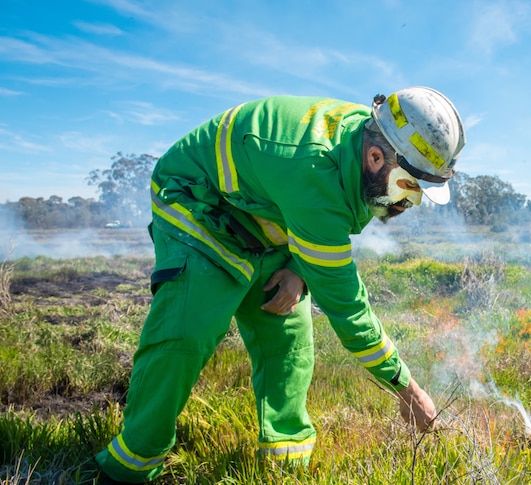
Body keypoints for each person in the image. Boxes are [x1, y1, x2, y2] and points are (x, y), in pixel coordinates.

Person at [95, 87, 466, 483]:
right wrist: (408, 391)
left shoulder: (370, 145)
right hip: (199, 202)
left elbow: (316, 220)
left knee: (289, 339)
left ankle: (285, 466)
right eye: (410, 188)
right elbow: (349, 310)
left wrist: (298, 268)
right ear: (375, 158)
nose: (410, 204)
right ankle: (132, 462)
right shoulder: (313, 173)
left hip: (266, 209)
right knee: (187, 332)